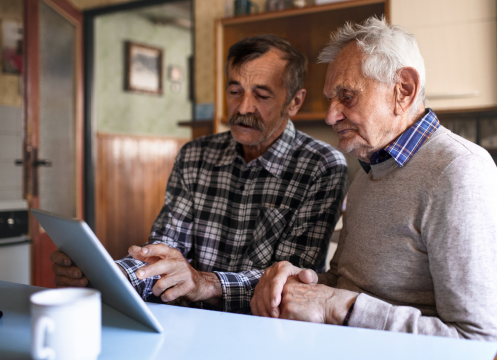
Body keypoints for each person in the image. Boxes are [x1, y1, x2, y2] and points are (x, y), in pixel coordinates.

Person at [251, 17, 497, 359]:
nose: (331, 116)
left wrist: (340, 307)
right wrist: (302, 284)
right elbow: (349, 284)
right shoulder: (372, 169)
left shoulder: (460, 173)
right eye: (331, 99)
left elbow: (483, 346)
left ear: (403, 89)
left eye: (346, 96)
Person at [52, 34, 348, 313]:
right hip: (184, 321)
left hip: (264, 328)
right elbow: (164, 251)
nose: (243, 107)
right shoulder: (195, 155)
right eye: (234, 91)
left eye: (262, 96)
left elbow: (289, 283)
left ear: (294, 102)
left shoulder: (322, 167)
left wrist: (204, 283)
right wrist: (106, 276)